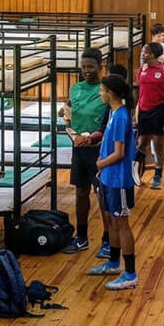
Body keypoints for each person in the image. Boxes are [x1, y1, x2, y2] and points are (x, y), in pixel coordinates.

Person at [89, 75, 140, 290]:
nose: (100, 93)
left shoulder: (121, 117)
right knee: (111, 221)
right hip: (109, 177)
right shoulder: (112, 113)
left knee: (122, 224)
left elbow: (119, 153)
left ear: (111, 93)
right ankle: (113, 263)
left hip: (118, 179)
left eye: (102, 90)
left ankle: (130, 274)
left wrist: (100, 164)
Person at [62, 49, 111, 259]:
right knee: (81, 193)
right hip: (79, 149)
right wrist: (73, 133)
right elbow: (68, 115)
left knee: (103, 196)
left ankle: (109, 240)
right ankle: (81, 236)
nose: (86, 71)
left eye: (91, 66)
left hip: (100, 150)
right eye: (83, 67)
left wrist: (93, 137)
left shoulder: (107, 90)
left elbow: (111, 122)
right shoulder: (75, 89)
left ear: (101, 66)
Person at [135, 43, 164, 188]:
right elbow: (140, 93)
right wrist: (137, 111)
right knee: (141, 144)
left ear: (153, 54)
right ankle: (136, 173)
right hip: (144, 111)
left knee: (158, 145)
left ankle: (158, 175)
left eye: (145, 52)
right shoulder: (140, 70)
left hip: (159, 110)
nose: (143, 55)